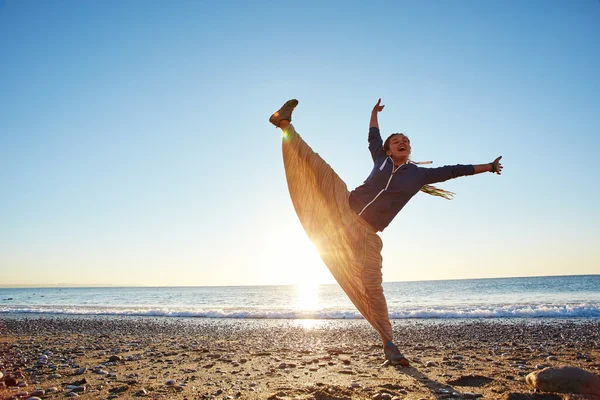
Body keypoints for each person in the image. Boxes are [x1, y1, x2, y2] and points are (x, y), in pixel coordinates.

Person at [269, 98, 502, 366]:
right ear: (388, 150)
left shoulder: (419, 175)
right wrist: (373, 114)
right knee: (318, 166)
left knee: (373, 287)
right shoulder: (380, 158)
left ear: (409, 149)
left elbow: (454, 171)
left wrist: (489, 167)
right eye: (397, 140)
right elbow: (373, 137)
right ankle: (284, 123)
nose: (402, 142)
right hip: (343, 206)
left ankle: (389, 344)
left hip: (367, 234)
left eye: (406, 140)